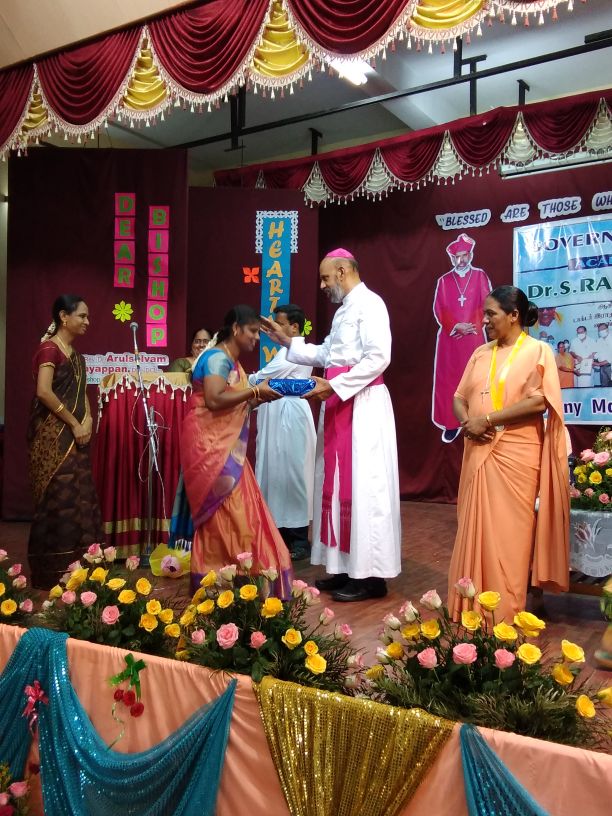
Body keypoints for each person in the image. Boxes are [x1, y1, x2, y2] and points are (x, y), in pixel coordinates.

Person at [260, 248, 401, 602]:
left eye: (325, 278)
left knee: (363, 489)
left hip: (363, 404)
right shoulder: (343, 312)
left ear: (342, 271)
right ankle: (343, 568)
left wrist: (336, 385)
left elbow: (379, 357)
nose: (322, 286)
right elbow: (327, 354)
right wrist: (288, 342)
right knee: (335, 486)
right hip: (340, 401)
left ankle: (370, 577)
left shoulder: (371, 304)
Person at [447, 285, 569, 624]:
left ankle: (504, 612)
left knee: (511, 538)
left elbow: (538, 401)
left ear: (514, 315)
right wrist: (468, 423)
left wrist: (486, 420)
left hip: (517, 454)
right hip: (477, 448)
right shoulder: (480, 353)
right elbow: (458, 397)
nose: (484, 320)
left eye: (491, 314)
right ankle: (470, 608)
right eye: (484, 314)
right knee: (472, 530)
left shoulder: (538, 351)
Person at [180, 305, 292, 596]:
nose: (256, 337)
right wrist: (255, 391)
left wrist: (259, 398)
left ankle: (234, 577)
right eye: (252, 331)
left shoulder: (231, 362)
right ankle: (227, 579)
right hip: (210, 447)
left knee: (239, 511)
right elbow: (214, 400)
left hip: (226, 447)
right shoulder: (217, 358)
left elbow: (234, 401)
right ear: (236, 329)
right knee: (229, 512)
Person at [27, 295, 103, 588]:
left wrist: (89, 421)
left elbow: (82, 394)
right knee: (58, 499)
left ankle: (83, 569)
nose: (87, 322)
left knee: (80, 497)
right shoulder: (49, 349)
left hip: (77, 436)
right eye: (82, 316)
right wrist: (74, 423)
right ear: (63, 316)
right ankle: (53, 573)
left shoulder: (77, 357)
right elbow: (44, 392)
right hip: (53, 438)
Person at [248, 304, 316, 562]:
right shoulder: (286, 350)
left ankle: (299, 538)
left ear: (294, 327)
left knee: (293, 475)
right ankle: (281, 534)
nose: (274, 328)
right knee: (276, 474)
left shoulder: (295, 351)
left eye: (279, 323)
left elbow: (263, 378)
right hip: (276, 412)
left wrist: (240, 378)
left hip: (290, 414)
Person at [431, 233, 491, 443]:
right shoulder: (444, 281)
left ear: (470, 255)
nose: (461, 260)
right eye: (457, 257)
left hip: (473, 337)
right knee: (449, 381)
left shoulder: (480, 276)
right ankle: (451, 423)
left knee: (476, 379)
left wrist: (471, 325)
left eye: (465, 255)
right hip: (450, 341)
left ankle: (476, 420)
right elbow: (440, 308)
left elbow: (486, 303)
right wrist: (455, 325)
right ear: (452, 259)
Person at [593, 322, 612, 387]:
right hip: (602, 367)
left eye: (602, 329)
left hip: (610, 366)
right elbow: (596, 354)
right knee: (604, 386)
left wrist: (599, 364)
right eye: (599, 330)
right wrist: (591, 358)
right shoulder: (599, 341)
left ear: (607, 329)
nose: (601, 331)